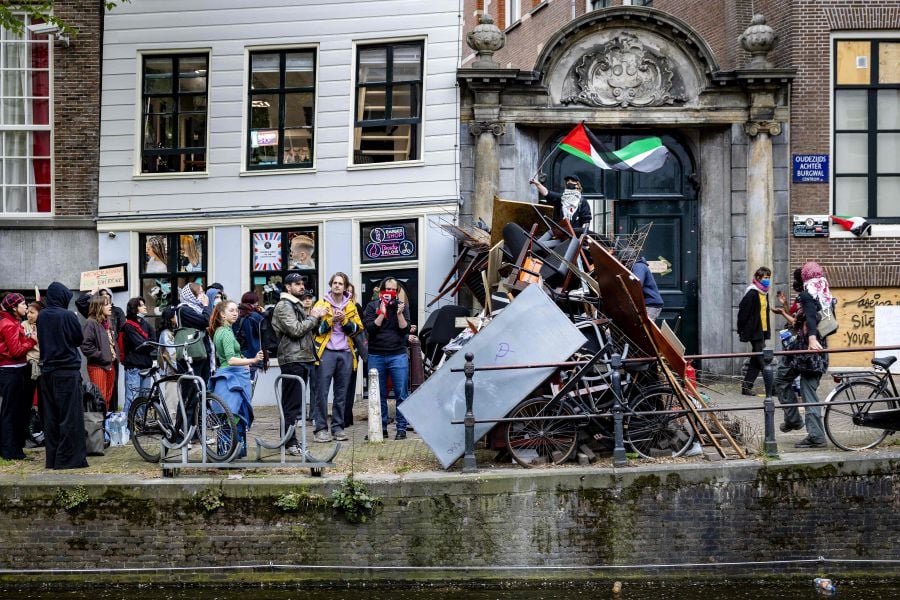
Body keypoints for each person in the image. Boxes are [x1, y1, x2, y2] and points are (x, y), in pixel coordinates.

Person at [773, 261, 829, 449]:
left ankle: (795, 421)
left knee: (781, 380)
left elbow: (811, 316)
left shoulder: (807, 295)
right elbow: (808, 321)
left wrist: (812, 338)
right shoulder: (825, 295)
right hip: (818, 352)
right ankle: (815, 435)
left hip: (804, 351)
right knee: (808, 392)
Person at [272, 273, 325, 454]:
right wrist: (314, 317)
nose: (302, 287)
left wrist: (317, 319)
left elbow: (306, 331)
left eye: (303, 283)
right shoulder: (283, 306)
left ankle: (290, 441)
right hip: (293, 359)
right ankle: (289, 443)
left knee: (295, 404)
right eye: (297, 284)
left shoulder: (296, 305)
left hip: (303, 357)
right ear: (288, 287)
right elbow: (295, 330)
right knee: (291, 405)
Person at [37, 282, 89, 469]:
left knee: (51, 417)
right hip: (66, 372)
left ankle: (52, 458)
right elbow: (78, 339)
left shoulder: (42, 316)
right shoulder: (67, 315)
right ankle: (68, 459)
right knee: (70, 416)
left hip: (47, 372)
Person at [208, 300, 263, 458]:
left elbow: (229, 356)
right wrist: (252, 360)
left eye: (236, 310)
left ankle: (227, 455)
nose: (235, 313)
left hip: (227, 377)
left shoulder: (222, 330)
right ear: (222, 314)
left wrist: (243, 359)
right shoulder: (225, 332)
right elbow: (231, 359)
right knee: (234, 416)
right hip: (231, 379)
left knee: (229, 417)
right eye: (231, 310)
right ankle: (232, 456)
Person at [313, 272, 363, 443]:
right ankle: (320, 429)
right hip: (326, 352)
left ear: (345, 287)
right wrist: (330, 321)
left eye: (340, 283)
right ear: (331, 285)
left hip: (346, 353)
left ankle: (338, 428)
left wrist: (344, 322)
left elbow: (358, 330)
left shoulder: (351, 306)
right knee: (322, 392)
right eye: (334, 283)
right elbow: (314, 330)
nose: (337, 286)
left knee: (341, 393)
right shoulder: (321, 304)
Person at [363, 277, 412, 440]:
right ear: (381, 290)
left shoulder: (402, 307)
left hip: (397, 354)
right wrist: (382, 313)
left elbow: (405, 330)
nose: (390, 293)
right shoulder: (372, 306)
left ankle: (401, 429)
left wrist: (399, 314)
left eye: (393, 290)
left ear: (397, 292)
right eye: (387, 289)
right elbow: (370, 328)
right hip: (376, 355)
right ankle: (380, 428)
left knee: (401, 393)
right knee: (378, 394)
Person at [0, 293, 36, 460]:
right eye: (23, 304)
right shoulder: (9, 325)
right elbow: (15, 351)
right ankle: (10, 450)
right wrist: (32, 341)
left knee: (14, 410)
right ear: (14, 308)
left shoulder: (11, 322)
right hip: (12, 371)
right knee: (12, 411)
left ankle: (12, 448)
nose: (26, 307)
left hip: (14, 370)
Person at [736, 266, 772, 397]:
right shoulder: (752, 293)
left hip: (761, 330)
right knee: (763, 359)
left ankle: (746, 387)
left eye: (769, 277)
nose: (767, 280)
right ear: (758, 278)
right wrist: (741, 330)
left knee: (756, 360)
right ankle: (772, 388)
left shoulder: (764, 293)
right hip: (754, 331)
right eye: (765, 277)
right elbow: (743, 312)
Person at [81, 294, 118, 410]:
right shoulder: (91, 323)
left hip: (110, 364)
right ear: (98, 306)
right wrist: (101, 356)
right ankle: (98, 426)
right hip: (98, 366)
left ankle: (104, 424)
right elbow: (85, 346)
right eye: (106, 304)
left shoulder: (108, 322)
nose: (110, 306)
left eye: (110, 303)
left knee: (107, 397)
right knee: (99, 398)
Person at [121, 297, 156, 415]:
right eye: (141, 305)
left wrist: (147, 343)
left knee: (144, 398)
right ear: (135, 309)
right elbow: (140, 343)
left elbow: (153, 341)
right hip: (133, 367)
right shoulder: (128, 326)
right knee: (132, 398)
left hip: (146, 365)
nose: (145, 307)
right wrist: (147, 343)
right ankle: (128, 428)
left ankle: (139, 426)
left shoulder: (146, 324)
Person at [342, 282, 367, 428]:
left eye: (351, 292)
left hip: (352, 351)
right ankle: (344, 416)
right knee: (341, 386)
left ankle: (347, 416)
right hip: (339, 350)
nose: (349, 294)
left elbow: (360, 330)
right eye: (347, 292)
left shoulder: (356, 308)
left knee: (350, 384)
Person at [22, 301, 43, 444]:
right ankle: (27, 433)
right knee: (28, 400)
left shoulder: (44, 325)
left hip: (43, 364)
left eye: (32, 312)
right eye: (28, 311)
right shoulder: (23, 326)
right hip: (29, 364)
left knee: (42, 400)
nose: (29, 314)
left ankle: (40, 429)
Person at [235, 292, 265, 379]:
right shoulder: (255, 316)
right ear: (255, 302)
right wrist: (263, 315)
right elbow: (263, 332)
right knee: (249, 384)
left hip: (240, 355)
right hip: (253, 354)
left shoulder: (237, 314)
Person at [629, 253, 664, 321]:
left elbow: (637, 284)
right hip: (648, 303)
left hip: (651, 304)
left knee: (645, 329)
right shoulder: (638, 266)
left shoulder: (638, 266)